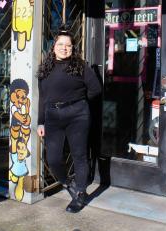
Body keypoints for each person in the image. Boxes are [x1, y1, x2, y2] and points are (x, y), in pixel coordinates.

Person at [36, 27, 102, 213]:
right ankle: (68, 183)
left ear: (73, 48)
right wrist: (41, 122)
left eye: (68, 45)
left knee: (79, 155)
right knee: (53, 158)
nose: (64, 48)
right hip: (52, 117)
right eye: (60, 44)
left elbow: (95, 89)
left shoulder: (81, 67)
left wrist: (79, 102)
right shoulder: (46, 68)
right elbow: (43, 97)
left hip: (77, 115)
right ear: (53, 46)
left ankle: (80, 193)